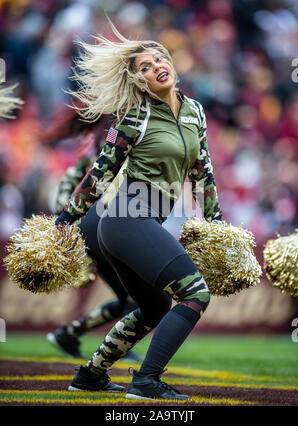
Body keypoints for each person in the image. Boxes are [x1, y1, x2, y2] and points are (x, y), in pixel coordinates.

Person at [55, 22, 222, 400]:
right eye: (144, 67)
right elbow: (100, 172)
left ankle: (91, 375)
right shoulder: (136, 116)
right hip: (125, 220)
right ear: (139, 83)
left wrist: (218, 227)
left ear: (171, 63)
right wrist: (66, 219)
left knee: (154, 308)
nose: (156, 66)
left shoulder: (195, 111)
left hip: (140, 222)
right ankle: (147, 381)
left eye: (159, 58)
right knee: (195, 293)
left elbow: (203, 173)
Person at [41, 111, 143, 362]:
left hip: (91, 221)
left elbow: (69, 180)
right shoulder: (128, 134)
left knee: (127, 297)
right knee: (143, 295)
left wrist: (65, 217)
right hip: (109, 219)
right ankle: (117, 348)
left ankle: (69, 334)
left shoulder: (98, 144)